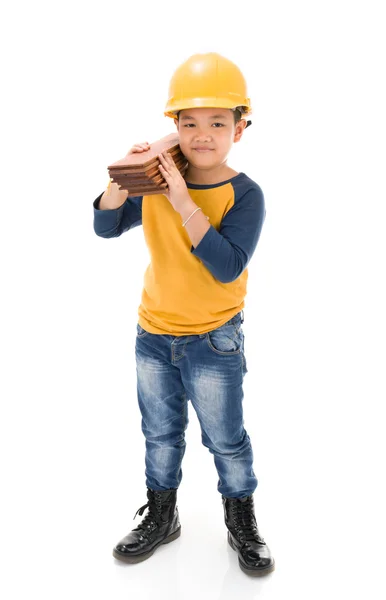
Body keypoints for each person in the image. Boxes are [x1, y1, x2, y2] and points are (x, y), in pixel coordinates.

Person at [92, 52, 275, 577]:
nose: (202, 135)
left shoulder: (245, 195)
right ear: (172, 128)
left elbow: (225, 266)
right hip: (153, 334)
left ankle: (242, 519)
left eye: (218, 123)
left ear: (239, 129)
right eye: (188, 123)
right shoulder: (154, 179)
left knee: (225, 438)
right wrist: (124, 178)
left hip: (214, 340)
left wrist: (181, 198)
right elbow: (106, 228)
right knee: (160, 433)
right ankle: (163, 515)